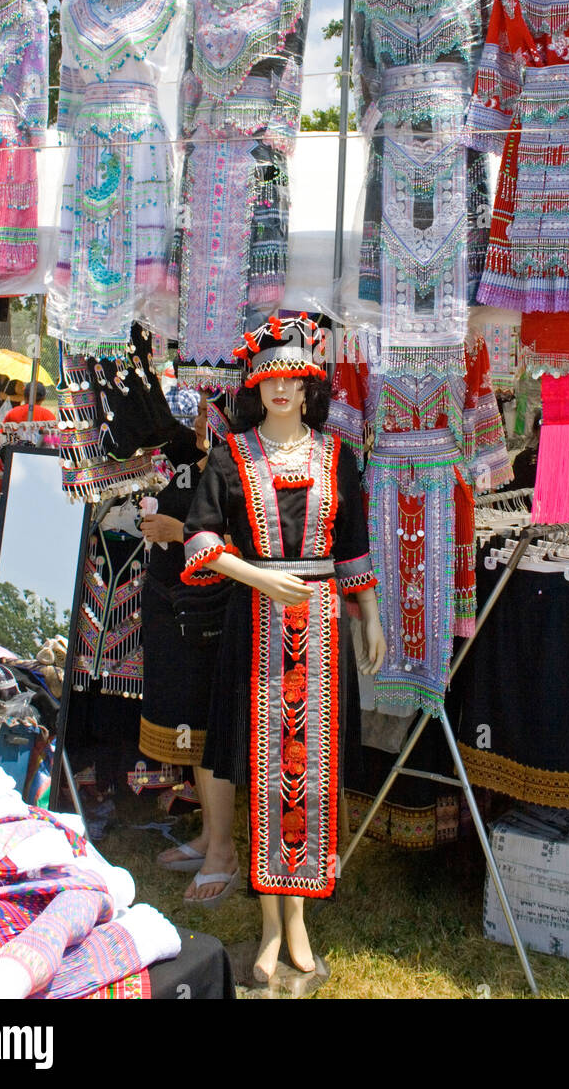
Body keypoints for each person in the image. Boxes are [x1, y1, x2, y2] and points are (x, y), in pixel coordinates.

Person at [181, 315, 385, 982]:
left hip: (324, 631)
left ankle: (299, 923)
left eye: (291, 379)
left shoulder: (337, 456)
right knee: (269, 774)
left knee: (313, 777)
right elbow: (201, 541)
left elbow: (352, 545)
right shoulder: (230, 454)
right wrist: (258, 574)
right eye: (267, 378)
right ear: (255, 386)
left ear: (307, 386)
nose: (279, 390)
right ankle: (271, 926)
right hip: (257, 628)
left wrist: (370, 616)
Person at [137, 398, 239, 907]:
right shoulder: (187, 457)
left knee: (209, 727)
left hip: (212, 615)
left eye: (209, 408)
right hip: (176, 607)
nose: (200, 420)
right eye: (196, 407)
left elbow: (241, 544)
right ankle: (209, 838)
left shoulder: (235, 466)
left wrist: (177, 532)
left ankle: (224, 852)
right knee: (195, 732)